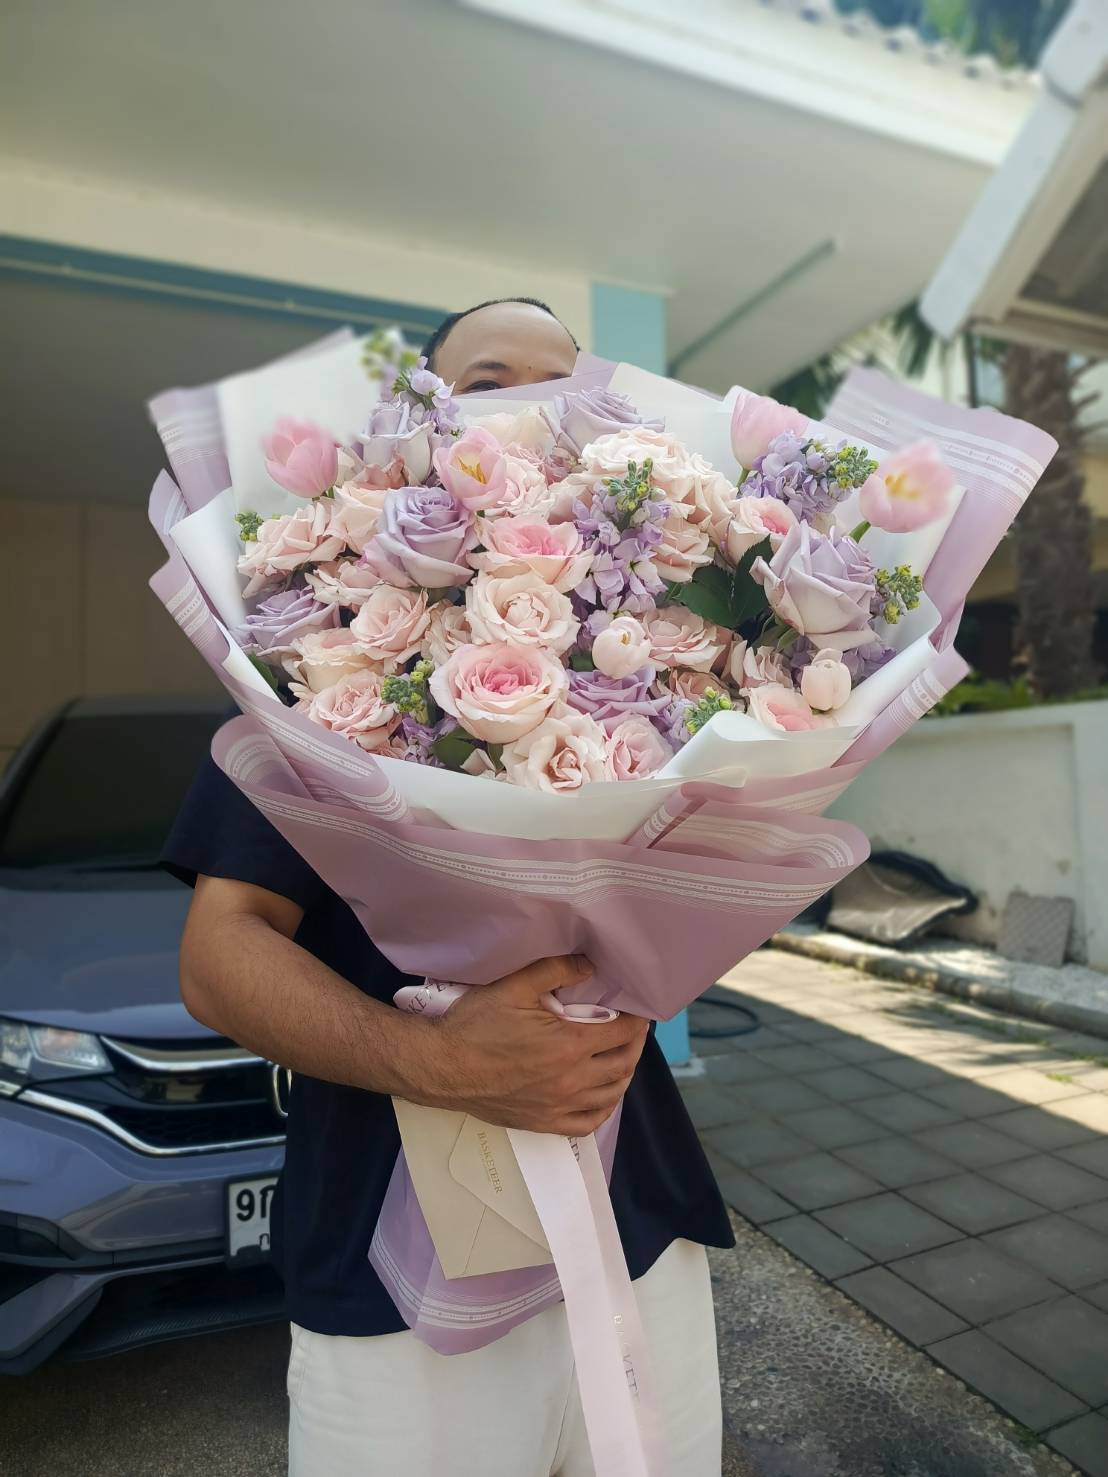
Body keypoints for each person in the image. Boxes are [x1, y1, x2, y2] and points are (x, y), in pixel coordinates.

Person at [165, 297, 733, 1477]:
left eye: (559, 381)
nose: (530, 403)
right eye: (488, 378)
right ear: (419, 421)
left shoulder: (674, 646)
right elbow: (220, 952)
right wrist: (438, 1060)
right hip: (388, 1250)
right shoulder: (316, 654)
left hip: (634, 1214)